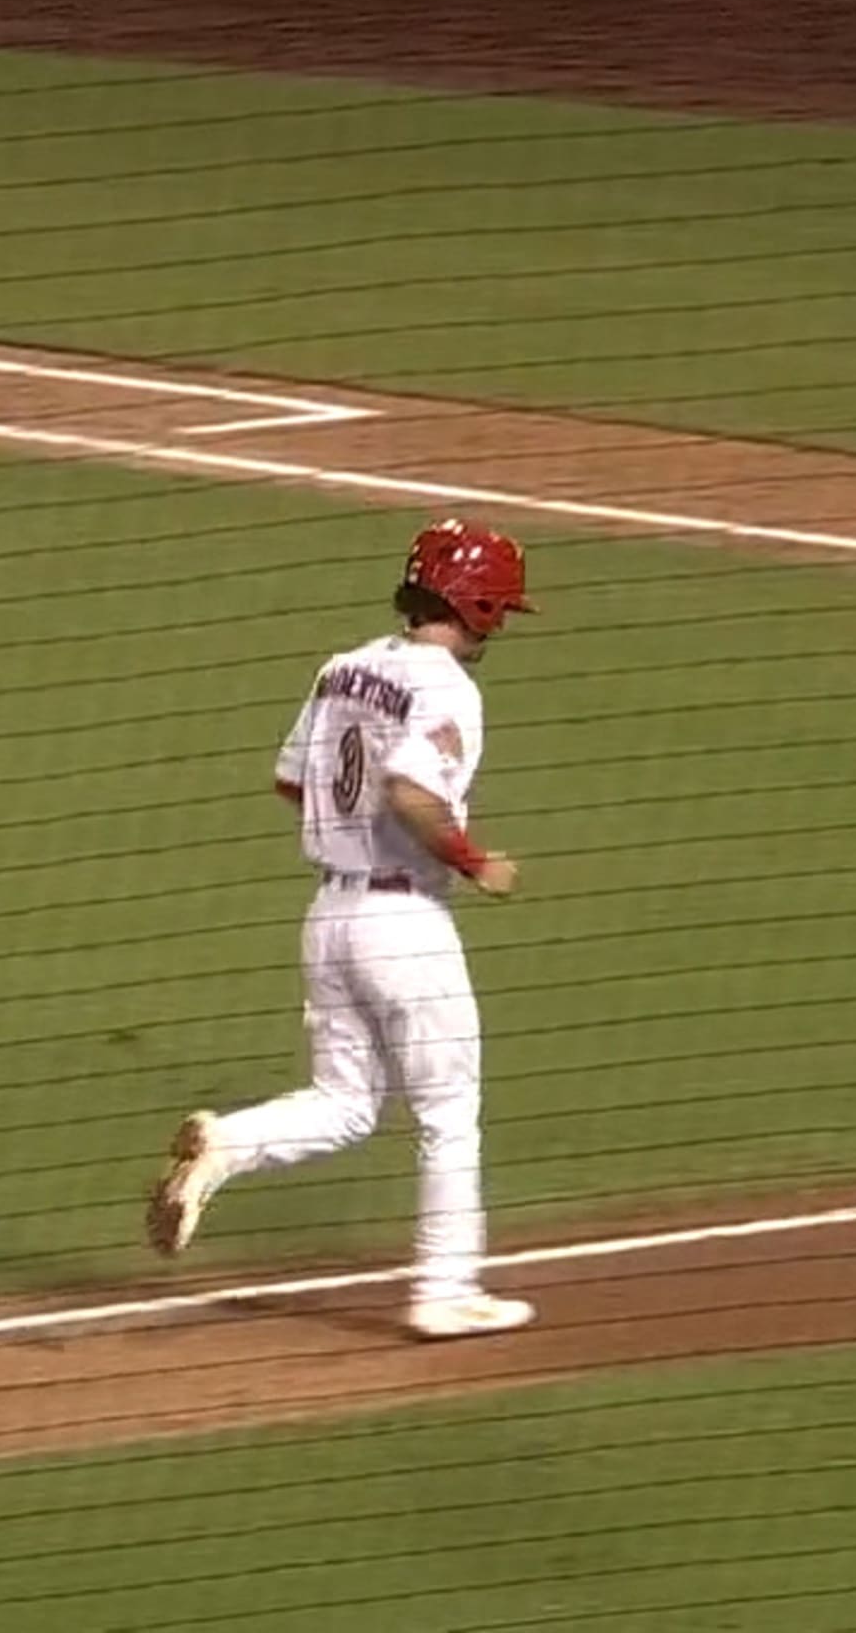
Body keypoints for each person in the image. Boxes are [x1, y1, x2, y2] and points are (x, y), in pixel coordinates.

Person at [147, 519, 540, 1340]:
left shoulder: (342, 668)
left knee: (348, 1102)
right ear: (480, 603)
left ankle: (226, 1141)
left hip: (328, 916)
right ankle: (446, 1290)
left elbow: (293, 782)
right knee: (447, 1111)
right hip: (404, 922)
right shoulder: (448, 689)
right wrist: (471, 861)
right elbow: (408, 789)